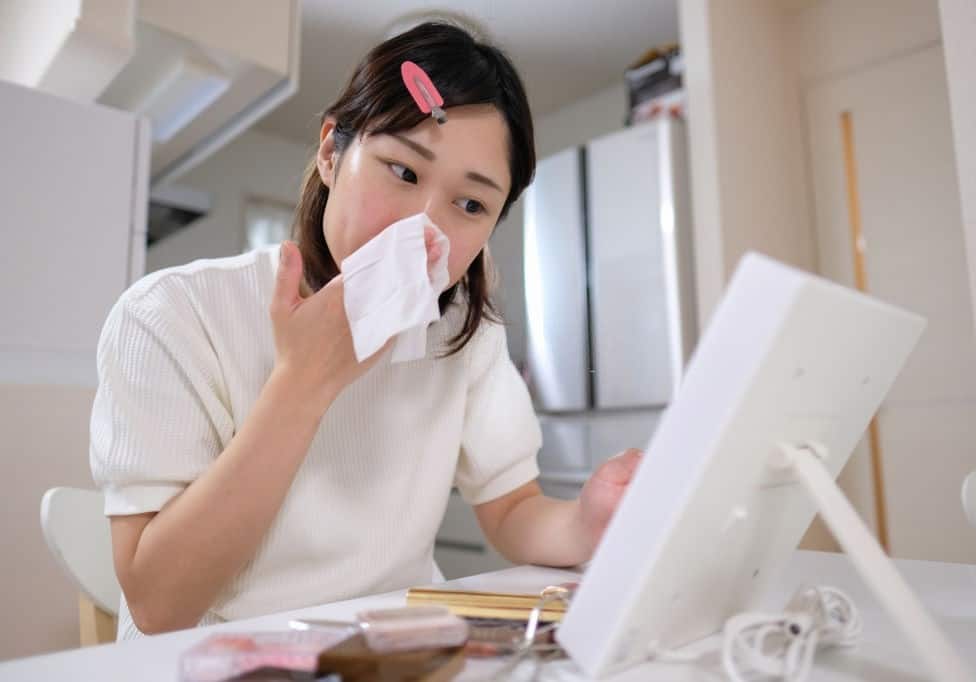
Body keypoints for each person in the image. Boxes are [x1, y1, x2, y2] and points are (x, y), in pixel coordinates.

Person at [90, 21, 642, 639]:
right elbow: (160, 605)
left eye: (470, 205)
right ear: (331, 152)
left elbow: (512, 509)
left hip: (394, 649)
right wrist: (303, 382)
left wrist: (590, 521)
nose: (425, 228)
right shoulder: (172, 313)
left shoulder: (460, 329)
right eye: (403, 172)